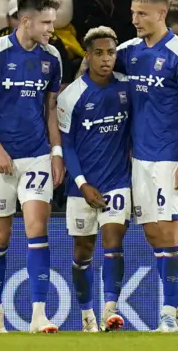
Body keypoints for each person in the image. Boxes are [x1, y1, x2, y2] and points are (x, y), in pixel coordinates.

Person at [0, 0, 65, 334]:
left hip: (36, 153)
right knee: (0, 236)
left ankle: (39, 316)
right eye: (47, 22)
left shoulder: (52, 57)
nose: (52, 29)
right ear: (26, 21)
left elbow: (50, 109)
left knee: (38, 229)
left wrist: (56, 152)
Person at [114, 0, 178, 332]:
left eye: (143, 14)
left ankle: (167, 313)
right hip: (139, 158)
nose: (135, 19)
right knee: (152, 233)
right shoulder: (127, 52)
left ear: (162, 13)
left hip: (168, 157)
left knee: (171, 232)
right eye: (133, 13)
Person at [57, 26, 130, 332]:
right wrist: (82, 184)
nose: (105, 59)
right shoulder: (70, 96)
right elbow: (67, 146)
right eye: (98, 53)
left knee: (113, 242)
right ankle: (87, 315)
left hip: (117, 181)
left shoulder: (127, 88)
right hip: (82, 187)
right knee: (82, 252)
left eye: (111, 53)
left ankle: (110, 310)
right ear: (86, 56)